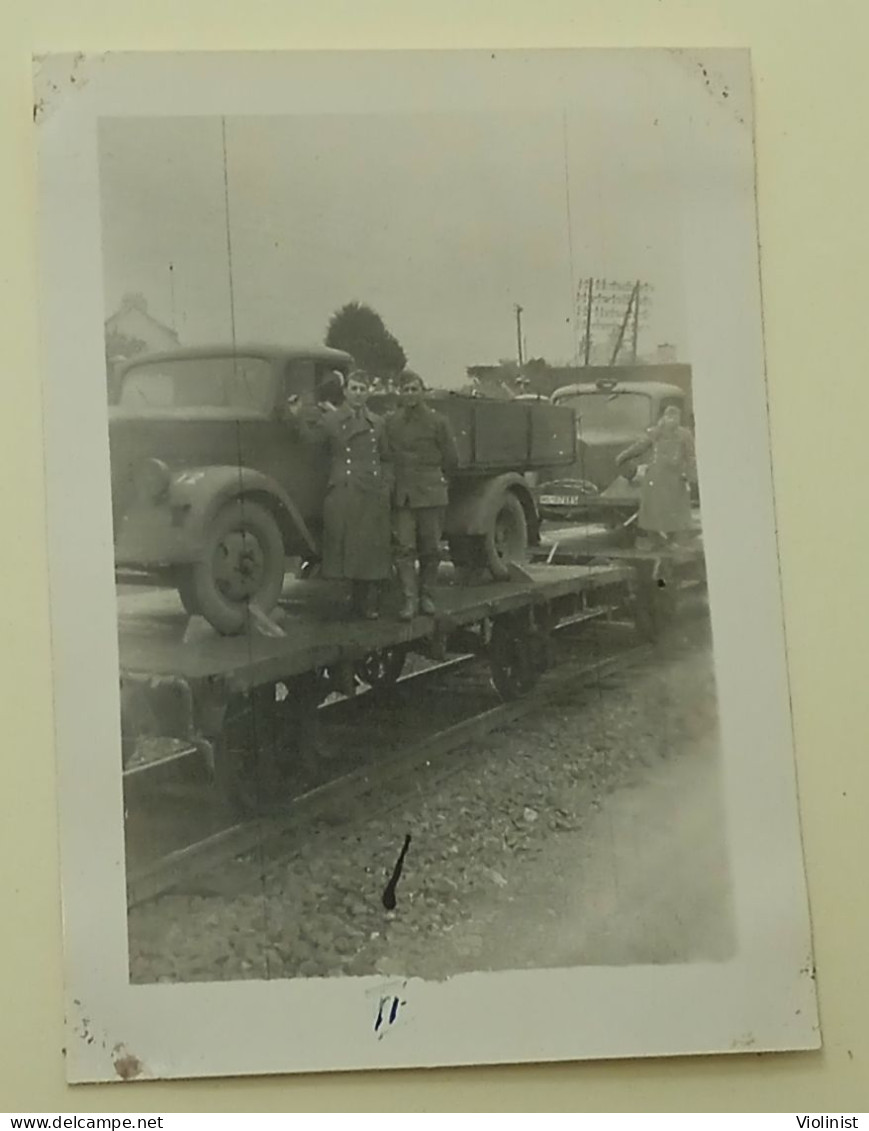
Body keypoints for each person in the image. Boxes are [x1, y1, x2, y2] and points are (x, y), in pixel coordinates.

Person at [289, 369, 392, 618]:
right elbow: (311, 441)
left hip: (371, 491)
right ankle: (343, 604)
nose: (358, 393)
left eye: (362, 389)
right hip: (343, 489)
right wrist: (297, 417)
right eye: (354, 388)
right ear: (345, 392)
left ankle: (366, 603)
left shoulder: (377, 422)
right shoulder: (332, 420)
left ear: (368, 393)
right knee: (342, 545)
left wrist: (385, 485)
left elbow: (386, 457)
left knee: (369, 549)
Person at [385, 370, 459, 620]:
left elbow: (451, 459)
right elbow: (388, 456)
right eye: (405, 390)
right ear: (400, 393)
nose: (410, 394)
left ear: (422, 391)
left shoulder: (438, 422)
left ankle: (427, 595)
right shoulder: (391, 422)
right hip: (404, 495)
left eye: (414, 389)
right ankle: (409, 599)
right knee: (404, 549)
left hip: (431, 493)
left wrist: (438, 482)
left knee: (431, 548)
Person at [615, 404, 696, 548]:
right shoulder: (655, 433)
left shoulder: (685, 435)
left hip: (675, 479)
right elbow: (640, 446)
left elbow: (690, 457)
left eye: (675, 415)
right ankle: (655, 539)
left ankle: (674, 540)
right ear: (663, 418)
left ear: (679, 418)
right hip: (656, 478)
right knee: (653, 511)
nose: (671, 419)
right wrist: (623, 456)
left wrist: (689, 476)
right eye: (668, 415)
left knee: (675, 513)